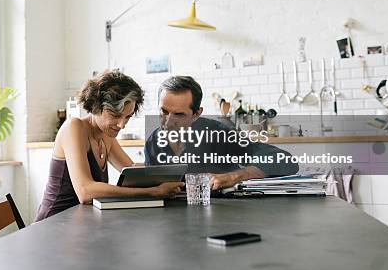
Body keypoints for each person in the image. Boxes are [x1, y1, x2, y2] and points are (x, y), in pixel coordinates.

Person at [36, 70, 184, 221]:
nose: (122, 125)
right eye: (115, 115)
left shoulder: (106, 135)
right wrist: (152, 191)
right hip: (53, 222)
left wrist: (175, 171)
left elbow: (132, 170)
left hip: (81, 222)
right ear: (95, 106)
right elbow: (85, 192)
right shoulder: (74, 127)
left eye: (127, 117)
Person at [144, 76, 299, 190]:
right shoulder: (153, 142)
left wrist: (234, 176)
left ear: (196, 114)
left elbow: (284, 160)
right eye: (163, 112)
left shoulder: (218, 134)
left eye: (179, 114)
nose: (168, 121)